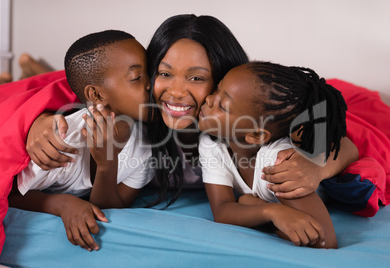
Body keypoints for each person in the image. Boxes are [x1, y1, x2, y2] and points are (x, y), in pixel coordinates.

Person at [25, 14, 357, 206]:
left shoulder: (244, 122)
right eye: (164, 73)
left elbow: (341, 138)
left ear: (224, 78)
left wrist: (317, 165)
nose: (176, 91)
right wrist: (36, 121)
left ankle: (30, 68)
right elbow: (87, 99)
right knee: (43, 87)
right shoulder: (141, 116)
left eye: (197, 77)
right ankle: (31, 69)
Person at [8, 29, 153, 252]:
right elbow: (10, 193)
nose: (151, 84)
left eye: (151, 72)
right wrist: (61, 204)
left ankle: (23, 70)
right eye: (136, 77)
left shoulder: (144, 147)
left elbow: (112, 207)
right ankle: (10, 79)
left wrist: (107, 164)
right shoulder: (63, 141)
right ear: (96, 96)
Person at [198, 61, 346, 248]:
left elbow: (324, 242)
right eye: (217, 89)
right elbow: (222, 210)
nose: (209, 99)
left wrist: (254, 207)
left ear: (256, 135)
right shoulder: (212, 143)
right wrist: (271, 212)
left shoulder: (277, 162)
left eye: (223, 106)